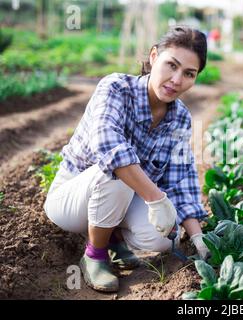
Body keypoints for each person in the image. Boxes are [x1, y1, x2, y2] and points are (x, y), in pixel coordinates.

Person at [44, 26, 210, 293]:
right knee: (119, 169)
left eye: (188, 73)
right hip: (72, 199)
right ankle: (95, 254)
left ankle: (114, 238)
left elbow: (182, 178)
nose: (177, 79)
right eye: (171, 65)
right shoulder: (116, 88)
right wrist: (157, 199)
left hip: (120, 199)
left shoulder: (180, 117)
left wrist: (197, 236)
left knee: (163, 239)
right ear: (154, 56)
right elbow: (109, 147)